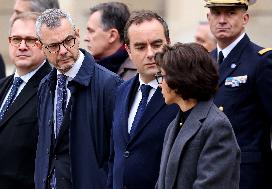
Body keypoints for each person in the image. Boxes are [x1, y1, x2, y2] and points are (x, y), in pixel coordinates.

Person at [34, 9, 122, 189]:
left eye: (68, 41)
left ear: (77, 34)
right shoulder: (45, 86)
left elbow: (117, 155)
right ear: (41, 47)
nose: (64, 51)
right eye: (54, 46)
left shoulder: (109, 85)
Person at [205, 0, 272, 188]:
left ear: (245, 18)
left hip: (247, 175)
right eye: (216, 13)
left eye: (230, 13)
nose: (222, 20)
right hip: (209, 171)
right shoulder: (206, 61)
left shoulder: (262, 61)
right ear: (208, 18)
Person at [108, 10, 178, 189]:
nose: (150, 53)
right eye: (140, 47)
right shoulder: (120, 91)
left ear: (168, 44)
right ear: (128, 51)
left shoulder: (182, 94)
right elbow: (115, 155)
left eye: (156, 44)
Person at [154, 42, 240, 189]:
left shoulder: (216, 126)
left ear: (180, 79)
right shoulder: (173, 125)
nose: (160, 84)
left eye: (163, 76)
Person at [0, 12, 51, 189]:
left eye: (30, 40)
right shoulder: (3, 86)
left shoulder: (53, 90)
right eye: (16, 39)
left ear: (45, 44)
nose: (22, 46)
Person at [84, 2, 136, 80]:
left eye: (91, 31)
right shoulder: (85, 69)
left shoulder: (138, 76)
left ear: (112, 36)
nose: (86, 38)